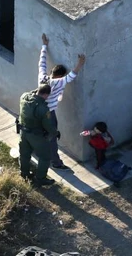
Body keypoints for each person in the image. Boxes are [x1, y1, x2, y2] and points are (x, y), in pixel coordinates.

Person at [38, 33, 86, 170]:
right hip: (49, 114)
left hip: (38, 112)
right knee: (52, 139)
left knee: (39, 134)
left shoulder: (42, 77)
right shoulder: (58, 82)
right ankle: (56, 163)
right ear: (59, 75)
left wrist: (44, 46)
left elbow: (41, 62)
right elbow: (72, 76)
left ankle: (37, 152)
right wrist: (80, 64)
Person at [18, 84, 57, 187]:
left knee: (24, 154)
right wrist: (55, 133)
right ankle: (40, 179)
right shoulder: (43, 108)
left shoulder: (24, 97)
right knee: (45, 157)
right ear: (46, 95)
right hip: (36, 135)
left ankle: (24, 173)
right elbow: (48, 125)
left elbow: (31, 93)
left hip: (23, 132)